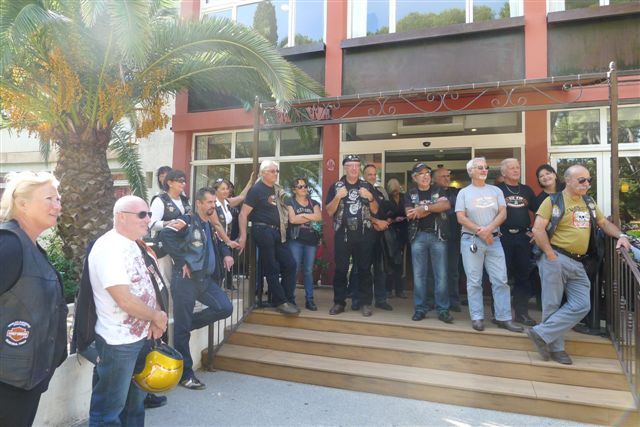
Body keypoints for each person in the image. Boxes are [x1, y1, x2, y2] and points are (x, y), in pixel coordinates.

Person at [529, 165, 631, 365]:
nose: (587, 184)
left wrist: (621, 235)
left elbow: (604, 223)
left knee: (582, 304)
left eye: (589, 180)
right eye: (582, 180)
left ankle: (541, 333)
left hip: (578, 261)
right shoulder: (553, 201)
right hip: (556, 257)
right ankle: (557, 349)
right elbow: (537, 229)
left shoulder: (589, 202)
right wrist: (550, 254)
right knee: (552, 304)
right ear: (568, 180)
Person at [88, 196, 168, 426]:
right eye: (142, 214)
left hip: (140, 337)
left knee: (134, 406)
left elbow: (148, 285)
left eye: (149, 214)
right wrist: (156, 316)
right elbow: (124, 300)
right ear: (121, 216)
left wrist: (154, 319)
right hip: (118, 342)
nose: (148, 219)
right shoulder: (109, 248)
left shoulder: (133, 243)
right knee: (108, 411)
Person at [0, 172, 68, 427]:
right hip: (8, 383)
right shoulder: (9, 245)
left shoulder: (30, 246)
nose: (57, 206)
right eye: (49, 198)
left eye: (58, 199)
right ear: (22, 203)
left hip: (26, 380)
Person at [159, 187, 234, 389]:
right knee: (182, 330)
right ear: (199, 203)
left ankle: (186, 324)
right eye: (209, 202)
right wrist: (181, 260)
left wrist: (227, 253)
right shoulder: (186, 220)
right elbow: (165, 235)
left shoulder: (208, 224)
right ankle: (186, 375)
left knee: (225, 308)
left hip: (205, 280)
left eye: (214, 203)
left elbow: (217, 244)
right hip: (186, 281)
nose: (213, 206)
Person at [455, 158, 523, 333]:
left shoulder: (496, 190)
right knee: (474, 281)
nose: (484, 170)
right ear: (470, 171)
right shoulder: (464, 192)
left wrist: (488, 230)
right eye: (480, 168)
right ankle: (477, 317)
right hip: (471, 240)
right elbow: (461, 217)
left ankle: (504, 318)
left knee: (501, 280)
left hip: (494, 240)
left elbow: (503, 213)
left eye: (486, 167)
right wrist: (481, 231)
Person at [238, 160, 299, 315]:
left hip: (278, 231)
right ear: (263, 173)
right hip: (262, 229)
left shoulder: (277, 189)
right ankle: (281, 301)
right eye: (272, 171)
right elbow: (243, 214)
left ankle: (287, 298)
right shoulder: (256, 190)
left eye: (277, 171)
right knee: (271, 266)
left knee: (290, 264)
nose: (276, 173)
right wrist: (243, 236)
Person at [325, 154, 379, 317]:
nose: (354, 168)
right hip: (343, 234)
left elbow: (375, 210)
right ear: (345, 168)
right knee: (341, 269)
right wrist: (337, 197)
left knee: (364, 269)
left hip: (364, 234)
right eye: (351, 165)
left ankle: (365, 303)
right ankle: (339, 302)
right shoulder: (336, 186)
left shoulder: (367, 186)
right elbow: (329, 211)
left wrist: (370, 198)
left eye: (357, 165)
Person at [405, 163, 454, 324]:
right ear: (414, 177)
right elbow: (410, 214)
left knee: (441, 275)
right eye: (421, 173)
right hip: (418, 237)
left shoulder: (438, 190)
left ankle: (443, 310)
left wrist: (423, 208)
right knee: (419, 276)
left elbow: (445, 205)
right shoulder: (410, 194)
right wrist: (433, 207)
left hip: (438, 236)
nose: (425, 176)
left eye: (427, 173)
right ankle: (420, 308)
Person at [496, 159, 537, 326]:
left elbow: (539, 211)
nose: (516, 170)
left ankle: (521, 313)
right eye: (512, 168)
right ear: (503, 172)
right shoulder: (497, 190)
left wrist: (535, 230)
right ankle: (500, 314)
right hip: (502, 237)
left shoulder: (526, 190)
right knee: (501, 277)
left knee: (523, 276)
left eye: (517, 167)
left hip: (522, 237)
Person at [286, 177, 322, 311]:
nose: (303, 188)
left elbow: (318, 217)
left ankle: (310, 300)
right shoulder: (290, 202)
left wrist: (301, 216)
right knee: (294, 269)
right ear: (294, 190)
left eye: (305, 186)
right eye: (300, 186)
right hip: (296, 240)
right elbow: (292, 220)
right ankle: (290, 299)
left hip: (311, 241)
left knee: (308, 271)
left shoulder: (314, 202)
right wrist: (309, 216)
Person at [362, 164, 393, 311]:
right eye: (369, 174)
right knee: (363, 269)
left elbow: (387, 210)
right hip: (364, 235)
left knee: (380, 269)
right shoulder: (360, 191)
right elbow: (360, 213)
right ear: (364, 176)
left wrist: (387, 220)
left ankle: (381, 299)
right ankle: (361, 300)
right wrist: (375, 222)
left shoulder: (380, 191)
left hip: (380, 236)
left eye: (374, 174)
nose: (372, 177)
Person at [432, 167, 462, 312]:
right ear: (434, 179)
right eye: (442, 176)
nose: (447, 178)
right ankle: (433, 300)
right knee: (433, 271)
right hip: (435, 237)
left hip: (453, 236)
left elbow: (455, 205)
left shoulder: (455, 192)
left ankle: (453, 301)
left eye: (448, 176)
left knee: (452, 270)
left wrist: (442, 204)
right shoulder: (430, 192)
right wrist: (439, 205)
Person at [384, 178, 408, 299]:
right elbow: (385, 216)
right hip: (390, 232)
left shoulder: (404, 197)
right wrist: (394, 220)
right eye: (393, 190)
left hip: (403, 231)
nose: (395, 192)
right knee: (391, 261)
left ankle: (400, 290)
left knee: (401, 262)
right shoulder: (387, 199)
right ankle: (388, 289)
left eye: (397, 189)